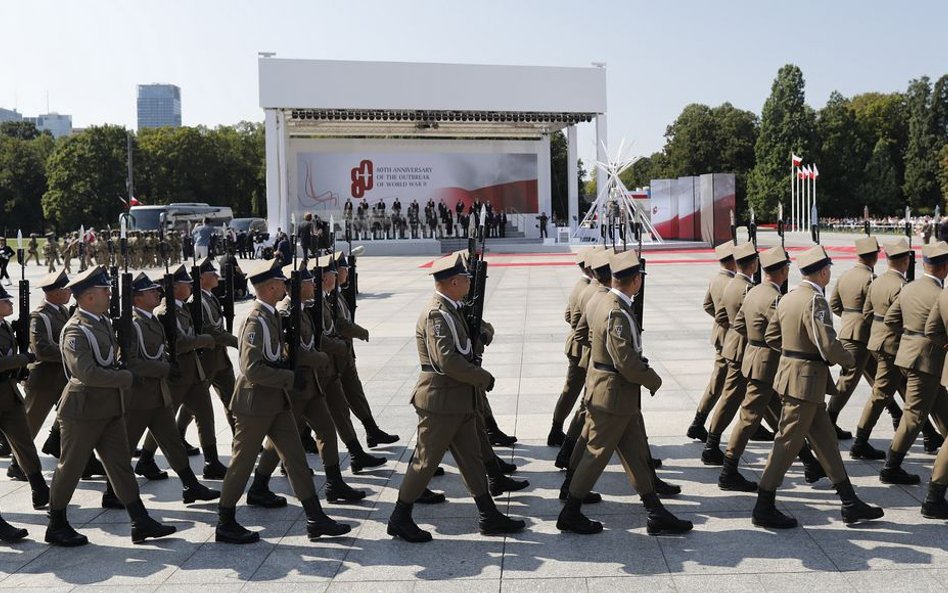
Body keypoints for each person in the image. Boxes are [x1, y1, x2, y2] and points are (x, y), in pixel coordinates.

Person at [386, 253, 524, 543]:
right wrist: (481, 377)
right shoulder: (437, 314)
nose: (470, 283)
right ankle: (399, 517)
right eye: (466, 279)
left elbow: (469, 340)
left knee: (471, 459)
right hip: (440, 401)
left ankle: (489, 515)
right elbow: (447, 361)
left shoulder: (454, 308)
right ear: (453, 282)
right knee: (425, 462)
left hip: (458, 400)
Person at [215, 258, 351, 544]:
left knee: (296, 459)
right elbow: (251, 368)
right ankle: (225, 522)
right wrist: (288, 378)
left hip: (275, 400)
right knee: (242, 463)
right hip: (254, 403)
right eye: (280, 282)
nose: (284, 286)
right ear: (270, 286)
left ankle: (315, 518)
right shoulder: (255, 320)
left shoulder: (273, 315)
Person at [557, 250, 691, 536]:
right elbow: (626, 361)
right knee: (595, 455)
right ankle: (570, 512)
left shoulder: (602, 299)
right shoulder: (616, 310)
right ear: (635, 281)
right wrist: (651, 379)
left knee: (635, 454)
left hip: (613, 393)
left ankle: (655, 512)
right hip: (613, 395)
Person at [752, 246, 884, 529]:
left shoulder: (787, 298)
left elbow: (772, 336)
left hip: (796, 377)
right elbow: (828, 344)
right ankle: (763, 505)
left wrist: (793, 352)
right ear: (823, 271)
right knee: (786, 444)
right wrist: (848, 361)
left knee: (826, 442)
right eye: (829, 270)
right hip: (805, 382)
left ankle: (850, 502)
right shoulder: (815, 301)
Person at [46, 266, 176, 546]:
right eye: (105, 291)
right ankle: (56, 524)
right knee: (70, 467)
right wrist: (126, 377)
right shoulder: (76, 330)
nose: (110, 295)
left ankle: (140, 521)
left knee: (120, 467)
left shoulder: (102, 321)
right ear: (89, 297)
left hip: (109, 408)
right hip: (83, 410)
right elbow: (87, 373)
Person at [100, 272, 220, 509]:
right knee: (125, 447)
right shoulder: (133, 324)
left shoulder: (152, 319)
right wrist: (164, 368)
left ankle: (190, 485)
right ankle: (111, 492)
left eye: (157, 289)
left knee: (173, 441)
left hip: (158, 395)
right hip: (139, 397)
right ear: (136, 299)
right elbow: (130, 362)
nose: (157, 293)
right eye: (151, 291)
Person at [136, 265, 228, 481]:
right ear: (175, 288)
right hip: (176, 374)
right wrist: (204, 340)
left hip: (193, 372)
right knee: (164, 420)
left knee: (206, 415)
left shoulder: (184, 308)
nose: (191, 287)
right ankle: (146, 459)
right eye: (187, 284)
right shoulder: (165, 312)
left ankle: (211, 461)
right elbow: (177, 342)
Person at [880, 242, 948, 485]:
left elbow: (890, 320)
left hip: (908, 356)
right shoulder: (940, 294)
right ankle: (891, 466)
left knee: (941, 405)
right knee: (914, 415)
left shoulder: (908, 288)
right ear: (945, 267)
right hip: (927, 360)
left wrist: (910, 336)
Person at [701, 241, 758, 465]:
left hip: (732, 343)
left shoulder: (730, 284)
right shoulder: (746, 288)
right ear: (753, 265)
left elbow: (719, 314)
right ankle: (711, 444)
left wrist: (733, 327)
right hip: (742, 347)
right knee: (730, 396)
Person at [826, 237, 880, 441]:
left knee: (880, 380)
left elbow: (834, 304)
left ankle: (896, 414)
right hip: (863, 335)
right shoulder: (871, 278)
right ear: (874, 257)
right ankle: (829, 420)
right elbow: (872, 310)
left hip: (849, 330)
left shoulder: (845, 275)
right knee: (848, 381)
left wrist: (849, 318)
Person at [687, 244, 736, 441]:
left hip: (721, 336)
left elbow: (708, 304)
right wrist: (726, 321)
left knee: (729, 382)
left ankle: (698, 423)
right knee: (722, 383)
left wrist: (719, 319)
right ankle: (698, 424)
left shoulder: (716, 279)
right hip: (730, 338)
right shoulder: (731, 283)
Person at [549, 249, 593, 447]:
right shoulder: (587, 289)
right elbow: (575, 319)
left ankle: (557, 430)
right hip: (581, 348)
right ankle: (559, 433)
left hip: (576, 345)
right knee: (576, 392)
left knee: (572, 391)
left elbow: (568, 315)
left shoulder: (580, 285)